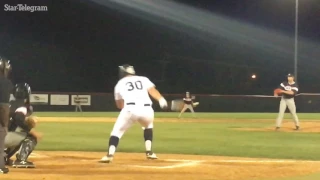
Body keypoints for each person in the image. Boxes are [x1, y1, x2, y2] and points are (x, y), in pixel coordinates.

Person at [99, 64, 168, 163]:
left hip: (131, 108)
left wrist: (128, 112)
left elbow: (119, 105)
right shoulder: (143, 79)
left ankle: (110, 155)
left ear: (122, 72)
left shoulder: (120, 83)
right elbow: (152, 91)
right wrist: (161, 100)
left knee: (117, 132)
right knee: (148, 126)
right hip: (148, 110)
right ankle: (149, 152)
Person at [4, 83, 42, 168]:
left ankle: (3, 158)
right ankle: (21, 160)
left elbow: (13, 119)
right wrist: (31, 130)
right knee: (31, 137)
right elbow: (18, 119)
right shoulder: (22, 106)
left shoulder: (10, 104)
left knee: (18, 134)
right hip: (5, 138)